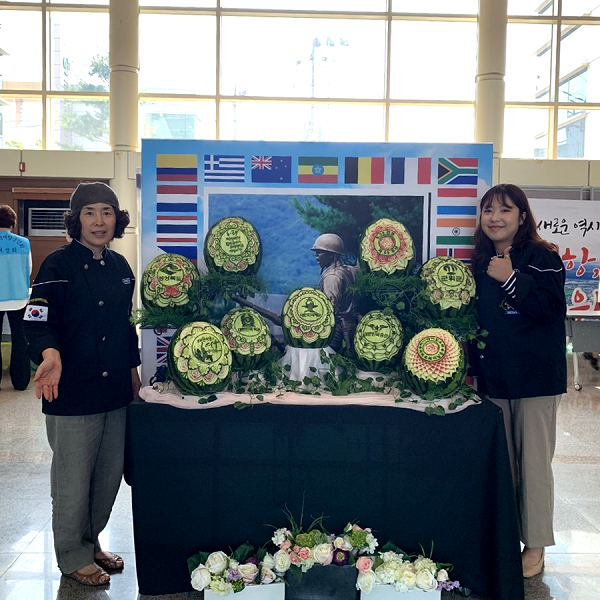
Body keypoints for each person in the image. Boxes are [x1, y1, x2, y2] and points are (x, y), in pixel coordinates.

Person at [24, 182, 141, 587]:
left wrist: (134, 376)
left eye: (107, 212)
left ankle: (91, 543)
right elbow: (37, 317)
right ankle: (72, 555)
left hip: (114, 394)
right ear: (75, 220)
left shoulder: (122, 268)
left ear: (117, 219)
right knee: (72, 481)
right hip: (71, 391)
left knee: (107, 478)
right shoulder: (57, 265)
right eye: (89, 213)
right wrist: (49, 353)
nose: (99, 221)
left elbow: (127, 331)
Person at [472, 183, 566, 579]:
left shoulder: (543, 256)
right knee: (502, 466)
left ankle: (536, 545)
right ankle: (506, 538)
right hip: (494, 379)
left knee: (533, 466)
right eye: (489, 210)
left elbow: (552, 309)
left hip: (535, 380)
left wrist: (511, 278)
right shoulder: (479, 261)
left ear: (522, 217)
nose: (495, 218)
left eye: (505, 210)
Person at [0, 205, 32, 392]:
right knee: (20, 339)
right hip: (18, 297)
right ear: (12, 222)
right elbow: (28, 267)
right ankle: (20, 382)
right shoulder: (23, 243)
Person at [311, 233, 359, 352]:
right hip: (351, 326)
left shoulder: (332, 277)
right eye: (316, 252)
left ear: (332, 255)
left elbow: (330, 307)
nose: (316, 256)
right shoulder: (350, 271)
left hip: (336, 331)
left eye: (320, 252)